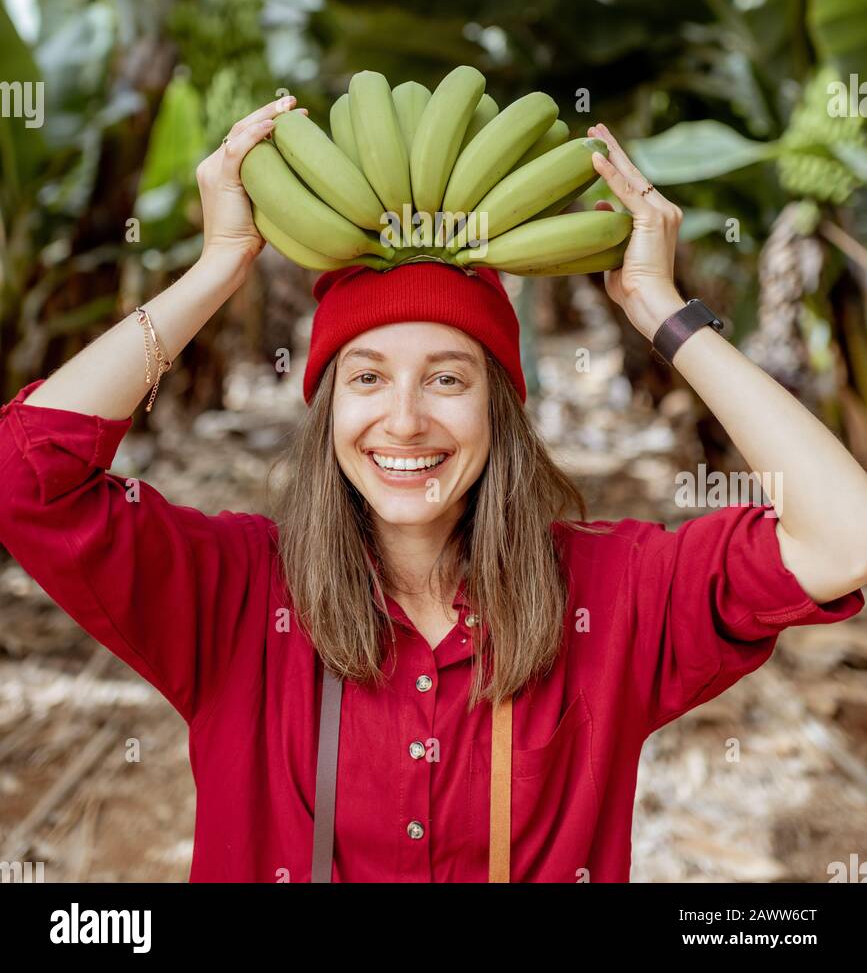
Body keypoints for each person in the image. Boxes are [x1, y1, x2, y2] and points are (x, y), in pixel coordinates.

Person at [0, 94, 864, 884]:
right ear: (326, 411)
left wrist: (662, 313)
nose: (405, 421)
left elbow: (846, 536)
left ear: (499, 410)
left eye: (447, 379)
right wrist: (217, 269)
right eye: (367, 378)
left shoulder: (612, 595)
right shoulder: (236, 593)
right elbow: (23, 477)